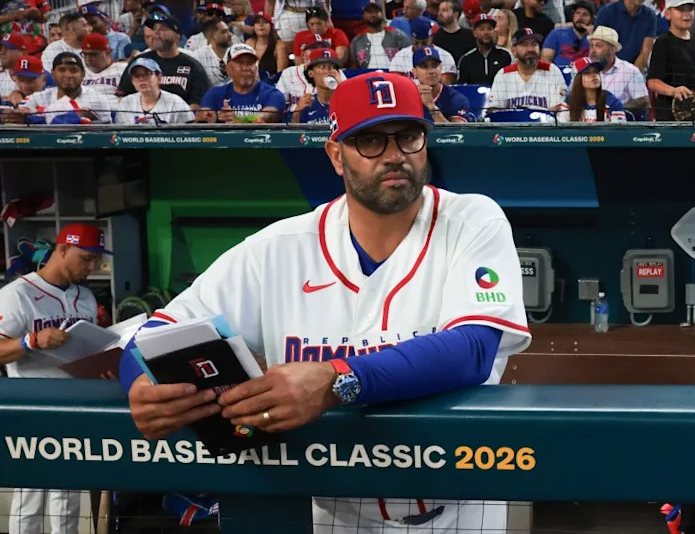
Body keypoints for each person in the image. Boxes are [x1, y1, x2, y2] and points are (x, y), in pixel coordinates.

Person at [120, 71, 531, 532]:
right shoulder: (279, 247)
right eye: (370, 140)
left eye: (408, 136)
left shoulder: (471, 219)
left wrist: (337, 380)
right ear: (336, 155)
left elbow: (473, 350)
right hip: (330, 513)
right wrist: (140, 383)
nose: (395, 155)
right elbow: (151, 334)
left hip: (459, 508)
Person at [0, 224, 111, 534]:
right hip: (32, 404)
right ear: (62, 250)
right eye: (86, 259)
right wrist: (30, 342)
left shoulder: (86, 297)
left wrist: (103, 365)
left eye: (95, 261)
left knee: (69, 492)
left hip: (77, 403)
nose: (92, 267)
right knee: (31, 495)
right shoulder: (16, 295)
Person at [116, 11, 210, 114]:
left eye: (163, 29)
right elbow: (122, 96)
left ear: (177, 36)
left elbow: (196, 104)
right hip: (140, 120)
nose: (156, 34)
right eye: (154, 29)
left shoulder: (192, 65)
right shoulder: (139, 62)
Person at [646, 0, 695, 122]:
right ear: (668, 14)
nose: (686, 14)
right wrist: (674, 91)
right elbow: (653, 82)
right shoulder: (663, 42)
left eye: (690, 9)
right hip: (669, 115)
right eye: (681, 10)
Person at [13, 53, 116, 125]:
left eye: (73, 70)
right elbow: (19, 113)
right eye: (62, 70)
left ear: (83, 74)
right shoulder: (40, 97)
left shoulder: (97, 99)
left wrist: (30, 118)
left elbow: (62, 121)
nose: (68, 75)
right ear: (53, 74)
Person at [198, 44, 285, 124]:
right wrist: (207, 118)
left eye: (250, 63)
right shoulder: (215, 94)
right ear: (227, 68)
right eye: (240, 63)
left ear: (256, 68)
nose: (245, 68)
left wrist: (239, 119)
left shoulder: (272, 94)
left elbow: (268, 116)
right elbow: (203, 117)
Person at [487, 28, 568, 112]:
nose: (530, 49)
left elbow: (559, 108)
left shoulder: (552, 71)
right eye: (524, 45)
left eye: (534, 44)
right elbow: (494, 109)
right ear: (514, 50)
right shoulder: (503, 74)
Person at [595, 0, 658, 70]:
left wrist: (631, 76)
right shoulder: (607, 12)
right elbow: (599, 48)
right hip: (608, 69)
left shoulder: (650, 16)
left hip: (636, 71)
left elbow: (645, 52)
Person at [585, 26, 650, 117]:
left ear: (612, 49)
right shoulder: (583, 70)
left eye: (599, 46)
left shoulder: (630, 71)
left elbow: (643, 101)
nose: (593, 51)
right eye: (591, 46)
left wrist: (616, 110)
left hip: (619, 126)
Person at [115, 57, 194, 125]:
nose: (142, 79)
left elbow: (189, 135)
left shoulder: (176, 103)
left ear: (159, 77)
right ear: (132, 81)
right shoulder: (125, 103)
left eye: (147, 74)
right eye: (137, 76)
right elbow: (119, 136)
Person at [561, 58, 633, 122]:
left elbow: (618, 132)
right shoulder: (569, 101)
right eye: (587, 73)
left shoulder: (611, 101)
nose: (594, 75)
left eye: (596, 72)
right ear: (577, 79)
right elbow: (561, 130)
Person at [389, 17, 457, 84]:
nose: (420, 46)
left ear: (431, 38)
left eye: (424, 43)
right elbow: (396, 85)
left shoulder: (445, 56)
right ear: (412, 38)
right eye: (416, 43)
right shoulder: (400, 56)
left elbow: (446, 86)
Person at [413, 46, 470, 123]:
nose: (431, 71)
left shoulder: (456, 99)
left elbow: (458, 133)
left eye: (434, 65)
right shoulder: (408, 98)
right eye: (424, 66)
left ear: (441, 68)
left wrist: (432, 107)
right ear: (414, 72)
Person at [457, 14, 513, 85]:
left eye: (489, 29)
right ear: (474, 33)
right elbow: (462, 87)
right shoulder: (466, 59)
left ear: (494, 31)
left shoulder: (505, 55)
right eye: (482, 29)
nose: (486, 32)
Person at [289, 47, 342, 124]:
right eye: (322, 67)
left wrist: (340, 88)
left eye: (331, 67)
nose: (327, 72)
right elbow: (293, 134)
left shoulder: (346, 101)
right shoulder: (307, 103)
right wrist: (297, 112)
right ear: (311, 73)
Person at [349, 2, 410, 68]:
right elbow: (354, 66)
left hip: (393, 74)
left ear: (382, 13)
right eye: (369, 12)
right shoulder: (357, 40)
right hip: (367, 75)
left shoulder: (397, 35)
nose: (373, 14)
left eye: (376, 11)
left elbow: (409, 58)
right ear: (363, 15)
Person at [542, 0, 593, 68]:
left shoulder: (594, 37)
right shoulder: (557, 33)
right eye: (577, 13)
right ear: (573, 15)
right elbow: (545, 60)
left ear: (591, 19)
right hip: (559, 76)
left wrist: (592, 37)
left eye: (585, 14)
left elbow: (597, 61)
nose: (580, 17)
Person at [245, 12, 288, 82]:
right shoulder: (249, 43)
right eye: (257, 22)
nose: (261, 25)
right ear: (253, 27)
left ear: (271, 26)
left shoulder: (279, 46)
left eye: (265, 22)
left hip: (272, 84)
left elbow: (280, 74)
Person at [432, 0, 476, 65]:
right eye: (439, 10)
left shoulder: (470, 36)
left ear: (455, 14)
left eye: (445, 10)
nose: (440, 13)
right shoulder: (435, 36)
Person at [192, 19, 232, 86]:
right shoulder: (198, 57)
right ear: (212, 36)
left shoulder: (236, 53)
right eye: (224, 32)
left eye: (228, 31)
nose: (230, 34)